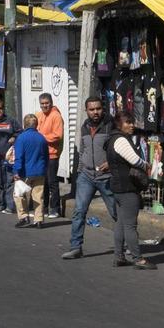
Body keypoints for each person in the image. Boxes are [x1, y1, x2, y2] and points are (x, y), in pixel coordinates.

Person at [62, 97, 117, 261]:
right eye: (91, 109)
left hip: (106, 176)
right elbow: (83, 150)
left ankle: (127, 245)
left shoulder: (111, 125)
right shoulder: (85, 126)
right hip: (86, 175)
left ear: (103, 109)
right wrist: (79, 173)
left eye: (98, 108)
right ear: (86, 110)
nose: (95, 112)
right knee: (79, 211)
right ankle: (75, 247)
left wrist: (111, 163)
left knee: (116, 211)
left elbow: (120, 148)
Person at [106, 111, 157, 270]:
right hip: (127, 188)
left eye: (132, 122)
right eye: (127, 122)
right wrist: (146, 165)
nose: (132, 125)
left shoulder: (112, 139)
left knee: (121, 223)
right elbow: (134, 160)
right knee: (130, 225)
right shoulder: (120, 139)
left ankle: (119, 257)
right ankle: (138, 259)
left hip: (118, 188)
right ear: (119, 125)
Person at [12, 113, 50, 228]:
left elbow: (19, 157)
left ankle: (24, 217)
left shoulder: (21, 138)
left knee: (19, 194)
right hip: (39, 171)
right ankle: (38, 219)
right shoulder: (42, 138)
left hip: (25, 172)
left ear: (24, 124)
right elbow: (46, 156)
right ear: (36, 125)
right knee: (38, 196)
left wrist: (16, 171)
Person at [35, 92, 65, 218]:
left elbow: (58, 135)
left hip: (52, 154)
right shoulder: (38, 115)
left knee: (52, 182)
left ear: (51, 103)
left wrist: (41, 137)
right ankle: (45, 207)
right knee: (44, 182)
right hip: (41, 154)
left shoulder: (56, 115)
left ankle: (55, 209)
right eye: (42, 104)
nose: (44, 106)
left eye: (47, 103)